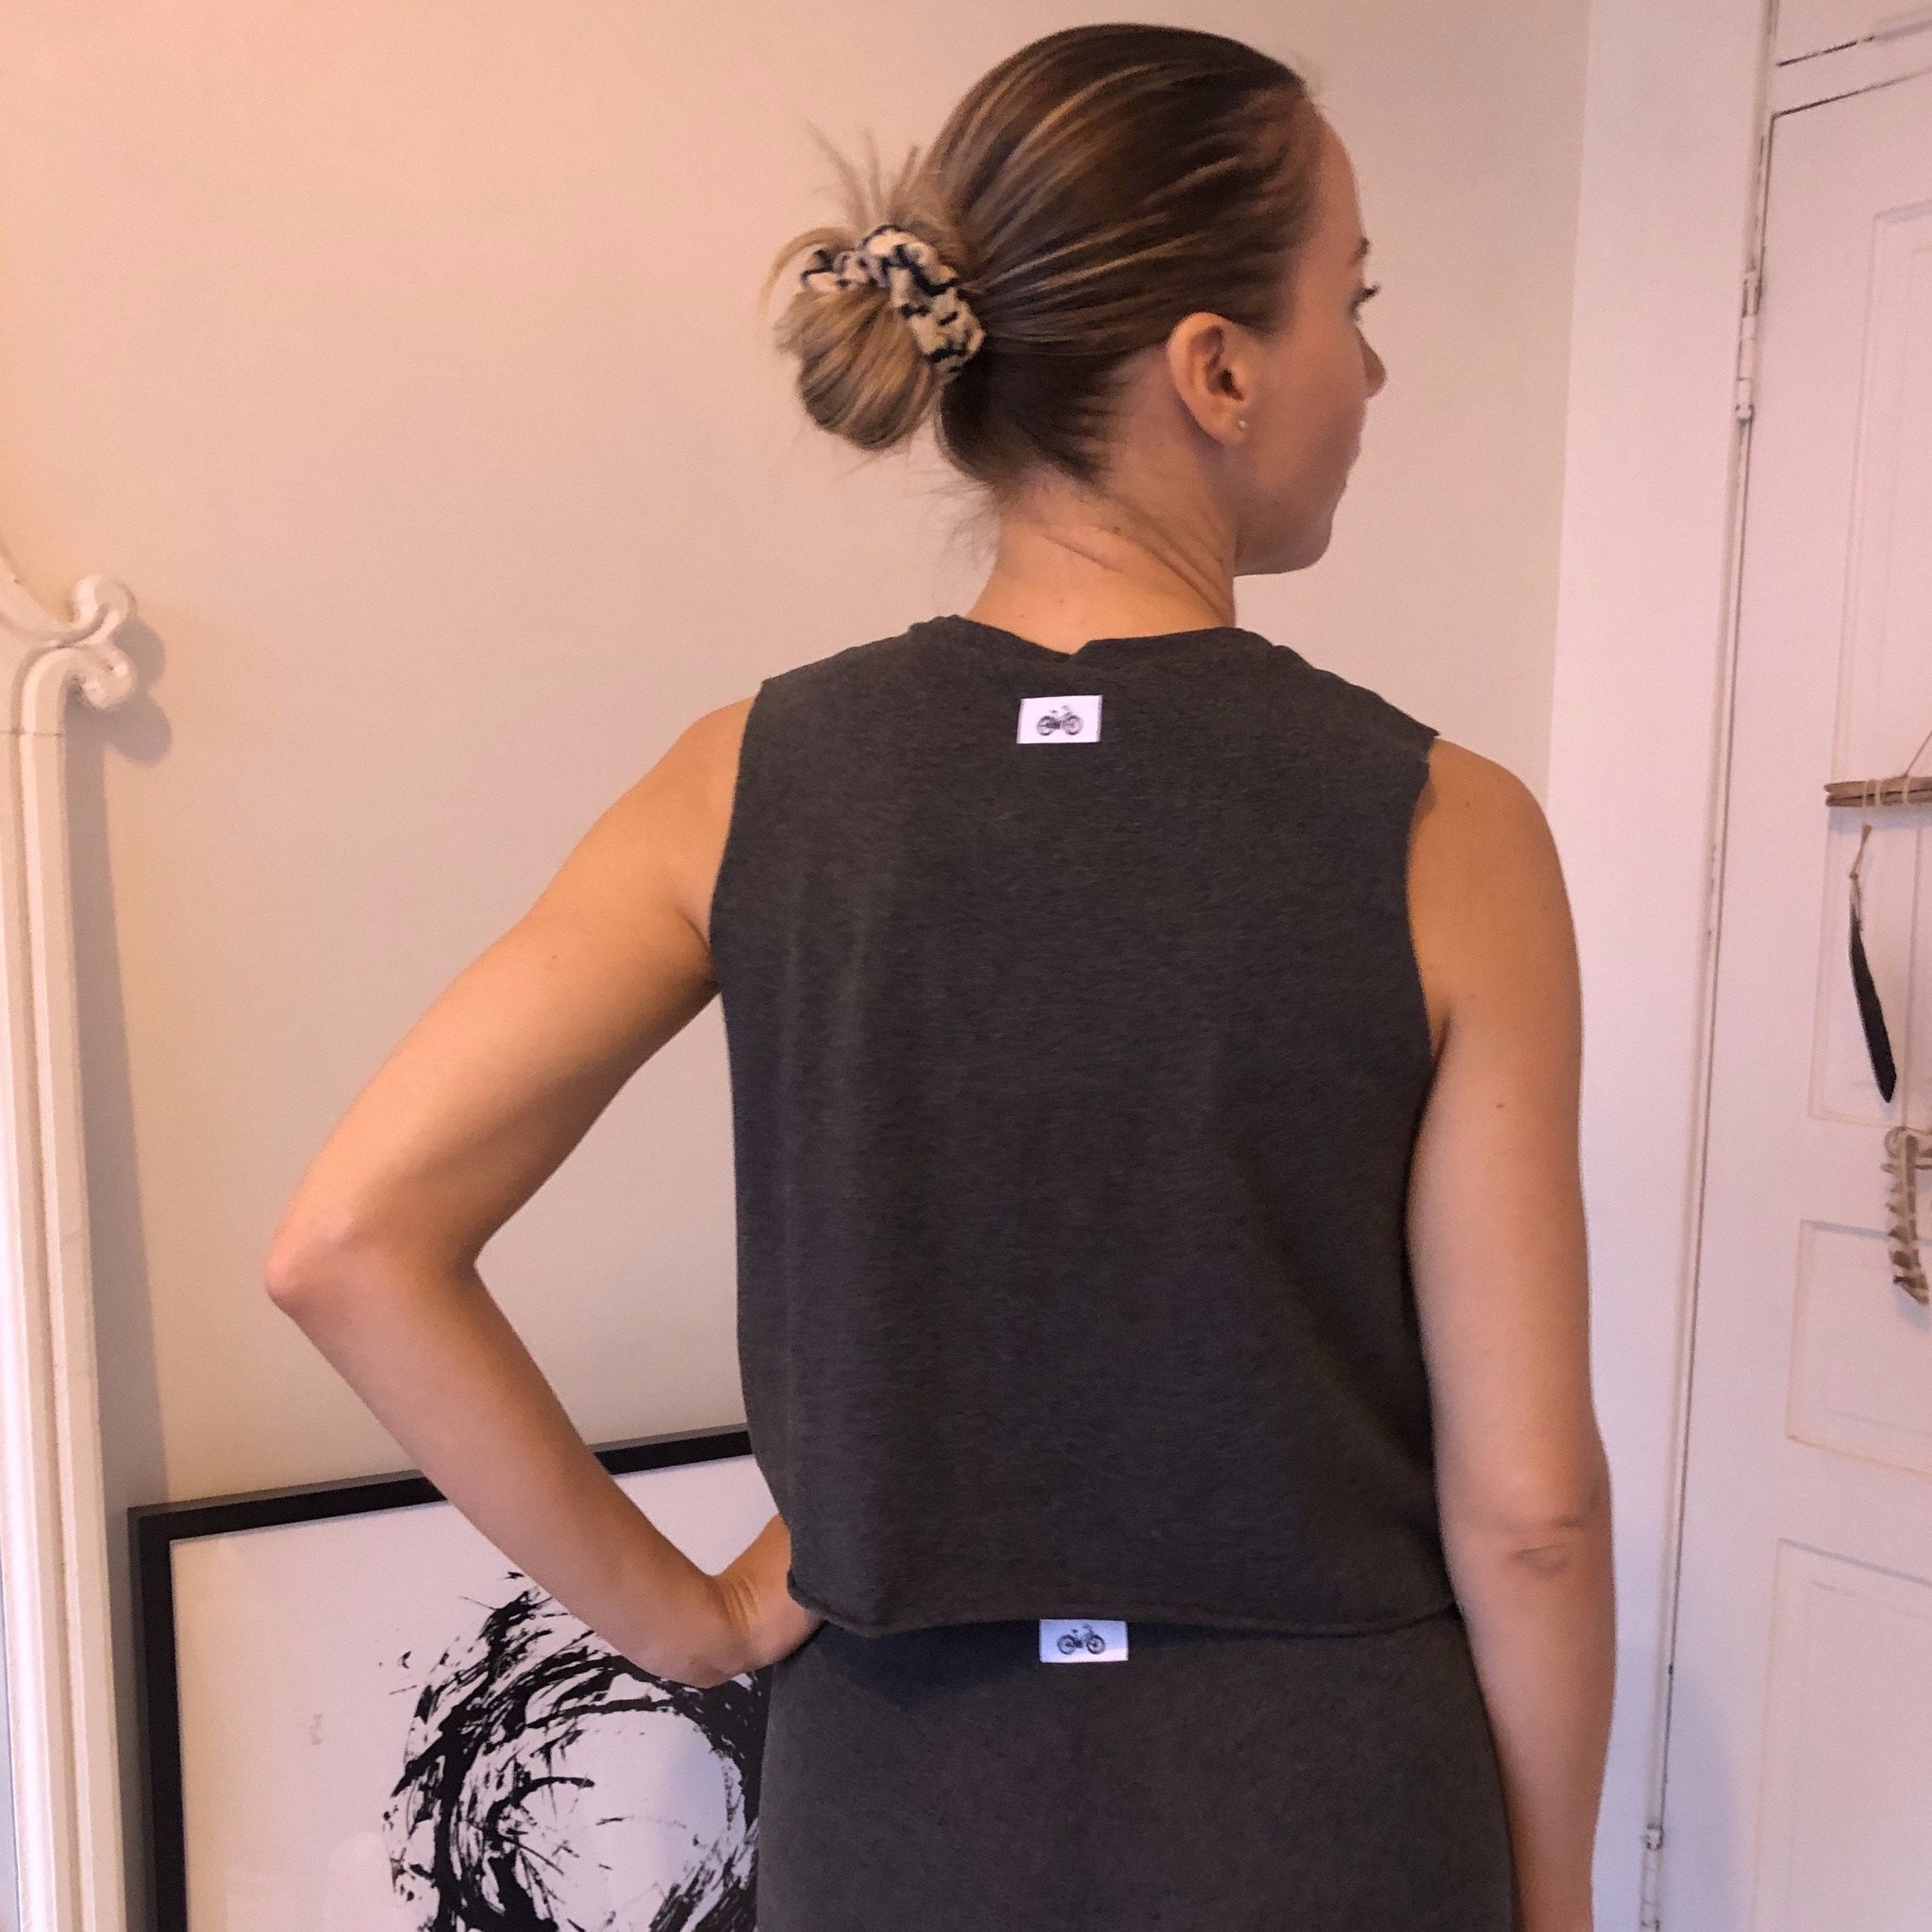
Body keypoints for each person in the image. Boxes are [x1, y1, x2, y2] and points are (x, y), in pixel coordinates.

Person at [266, 21, 1613, 1932]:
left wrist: (690, 1619)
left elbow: (347, 1242)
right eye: (1354, 302)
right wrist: (1549, 1891)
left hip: (896, 1817)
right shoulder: (1449, 829)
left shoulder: (747, 780)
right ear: (1219, 369)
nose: (1374, 367)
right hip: (1330, 1814)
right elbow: (1532, 1515)